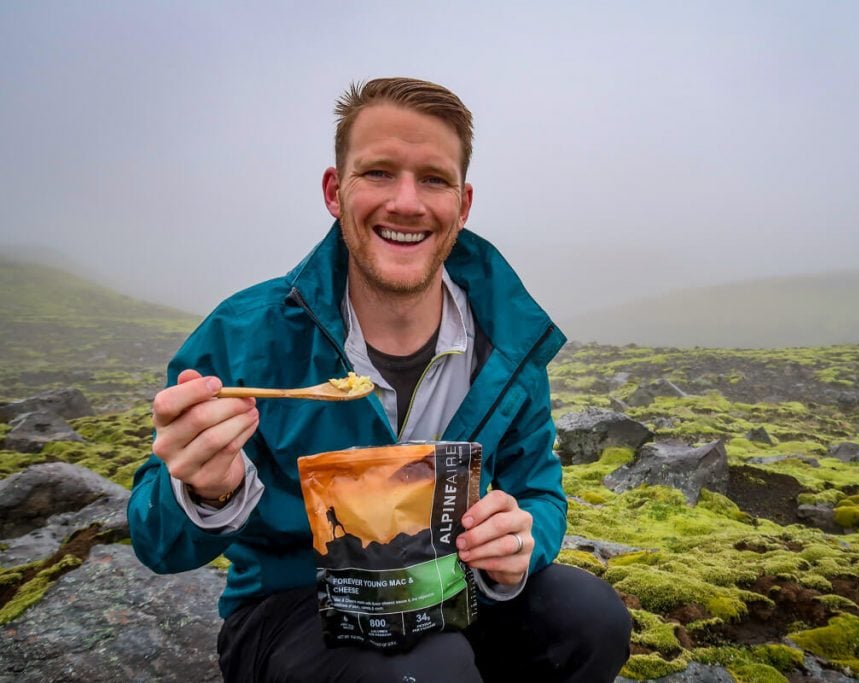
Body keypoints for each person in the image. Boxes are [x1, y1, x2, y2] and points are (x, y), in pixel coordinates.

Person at [128, 77, 632, 682]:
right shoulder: (245, 336)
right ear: (335, 191)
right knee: (427, 670)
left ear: (463, 204)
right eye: (378, 173)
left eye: (434, 179)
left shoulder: (506, 339)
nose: (407, 203)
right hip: (295, 610)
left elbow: (539, 492)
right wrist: (207, 492)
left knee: (592, 619)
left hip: (452, 588)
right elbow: (156, 544)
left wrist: (518, 545)